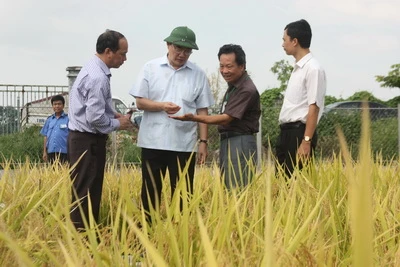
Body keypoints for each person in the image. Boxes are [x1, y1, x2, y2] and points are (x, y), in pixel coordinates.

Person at [129, 26, 214, 223]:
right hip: (153, 142)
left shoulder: (198, 74)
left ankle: (181, 234)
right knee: (150, 192)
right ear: (168, 45)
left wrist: (203, 141)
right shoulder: (150, 68)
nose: (182, 54)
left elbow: (202, 111)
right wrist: (161, 106)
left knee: (184, 193)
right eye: (178, 48)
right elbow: (140, 101)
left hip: (183, 144)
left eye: (187, 51)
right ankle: (147, 235)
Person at [68, 30, 133, 230]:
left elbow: (98, 107)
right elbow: (94, 117)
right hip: (87, 140)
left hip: (82, 139)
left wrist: (114, 115)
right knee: (86, 190)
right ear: (108, 51)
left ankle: (86, 235)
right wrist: (117, 124)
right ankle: (83, 240)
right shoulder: (98, 77)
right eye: (122, 54)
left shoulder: (94, 68)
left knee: (87, 188)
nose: (125, 59)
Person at [171, 44, 261, 189]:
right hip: (229, 140)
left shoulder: (246, 89)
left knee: (238, 189)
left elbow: (226, 118)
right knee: (228, 185)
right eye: (221, 66)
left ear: (242, 66)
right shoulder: (234, 86)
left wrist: (194, 118)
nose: (224, 71)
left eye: (229, 66)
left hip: (240, 141)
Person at [276, 19, 327, 178]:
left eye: (284, 40)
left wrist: (306, 141)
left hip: (300, 134)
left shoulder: (313, 69)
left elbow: (314, 106)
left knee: (296, 186)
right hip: (286, 132)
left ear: (295, 41)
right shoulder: (298, 68)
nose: (283, 44)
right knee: (282, 183)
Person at [40, 94, 69, 164]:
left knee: (64, 172)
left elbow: (71, 135)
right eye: (55, 104)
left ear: (63, 105)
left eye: (59, 104)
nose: (57, 106)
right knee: (52, 173)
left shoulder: (68, 119)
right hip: (51, 151)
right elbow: (45, 136)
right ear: (52, 106)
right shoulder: (49, 120)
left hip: (64, 152)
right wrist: (44, 152)